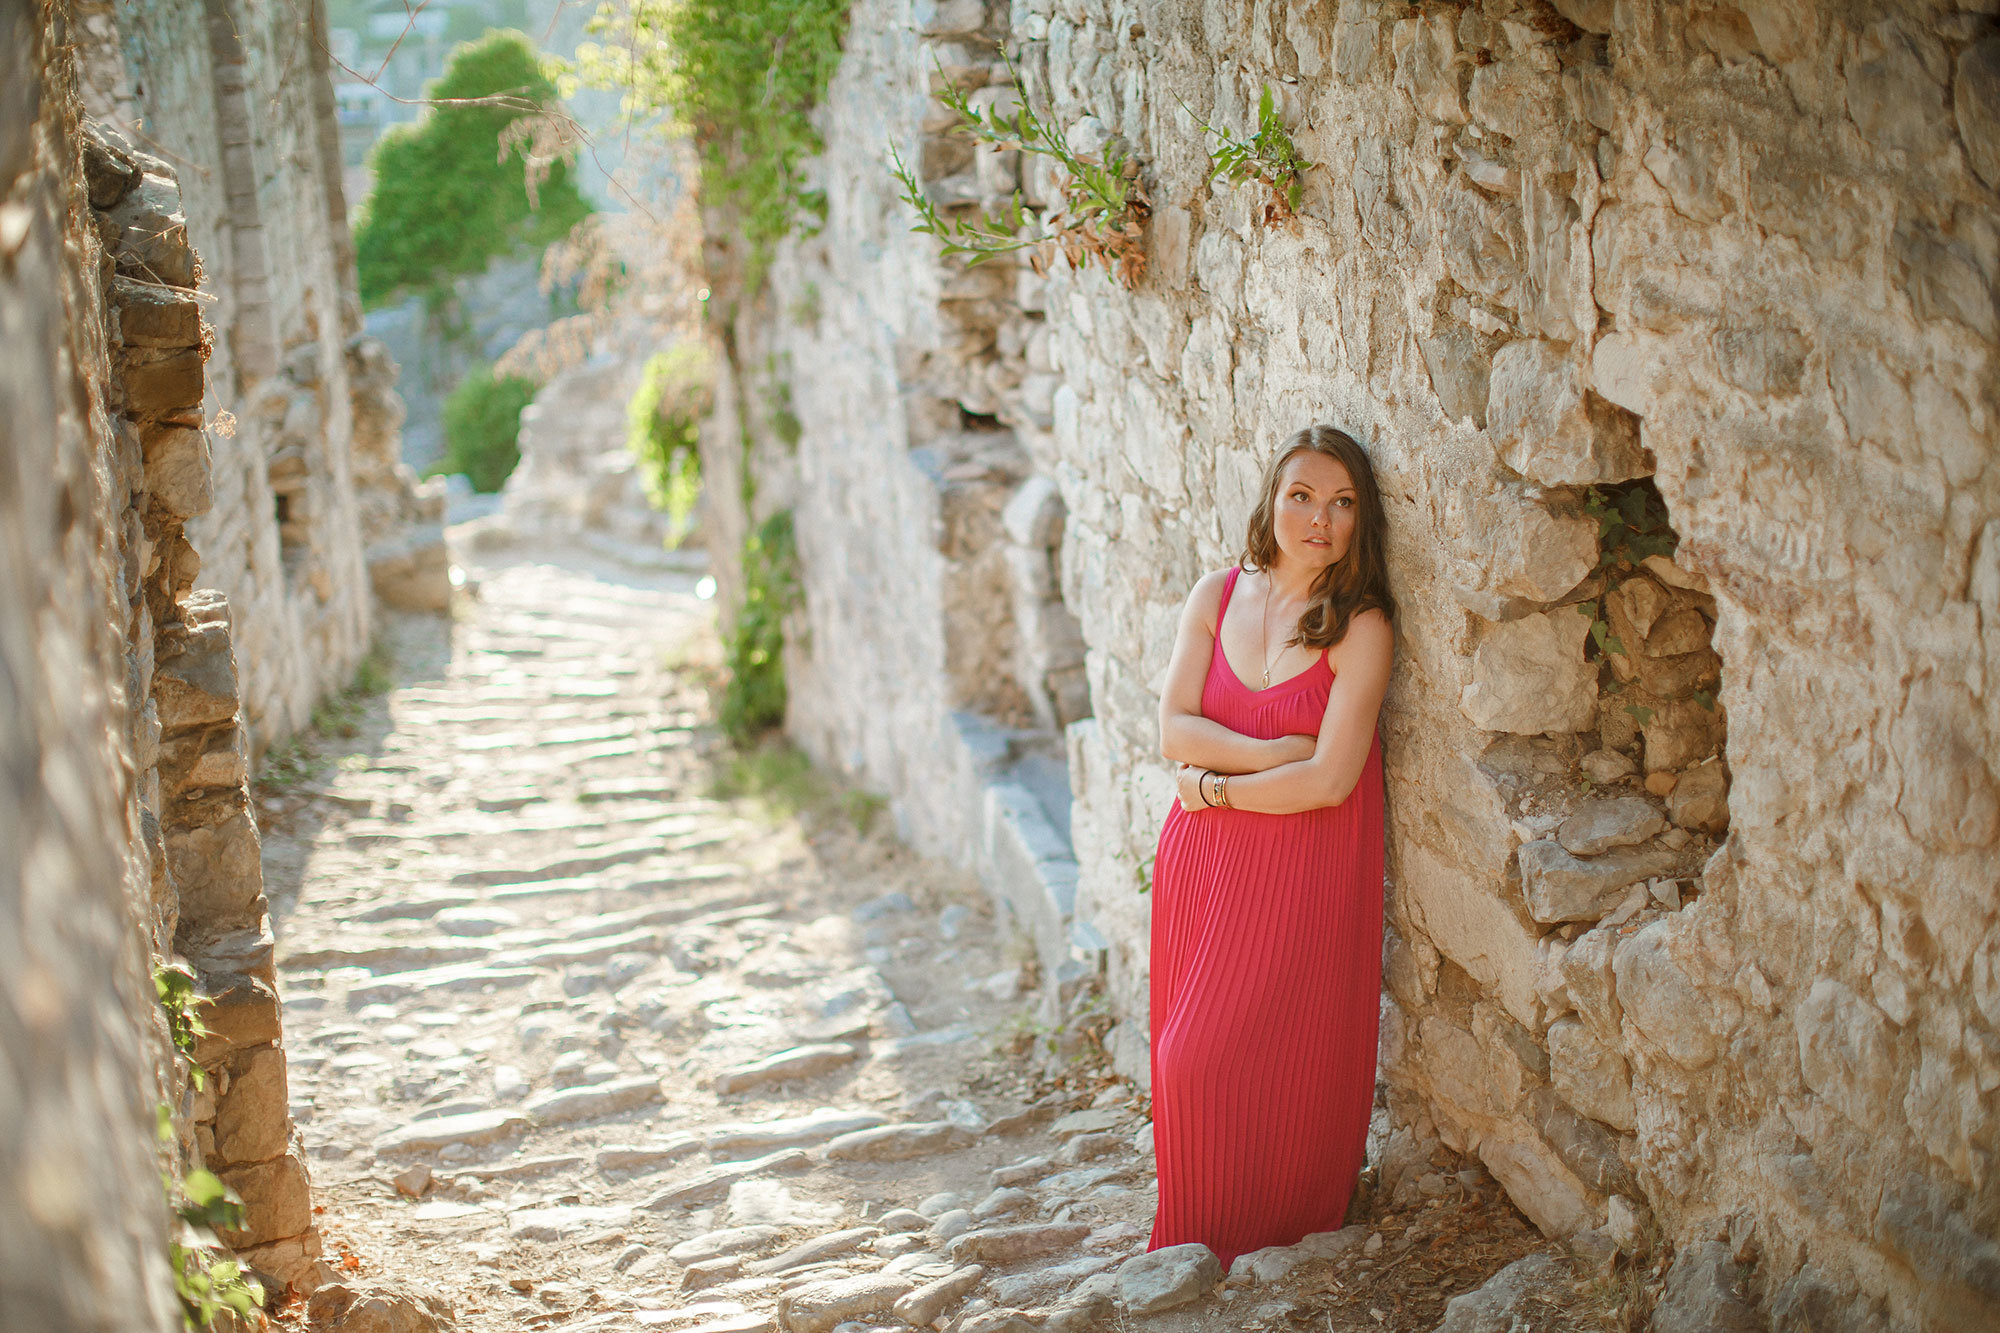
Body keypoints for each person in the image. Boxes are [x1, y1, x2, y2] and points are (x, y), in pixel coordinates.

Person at [1147, 423, 1396, 1267]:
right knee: (1187, 1060)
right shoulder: (1216, 595)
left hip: (1302, 864)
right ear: (1271, 499)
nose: (1319, 517)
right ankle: (1191, 1252)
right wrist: (1264, 754)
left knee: (1235, 1058)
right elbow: (1173, 724)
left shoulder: (1361, 626)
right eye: (1302, 495)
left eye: (1342, 502)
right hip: (1205, 864)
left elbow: (1330, 781)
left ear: (1362, 519)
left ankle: (1268, 1234)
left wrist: (1215, 786)